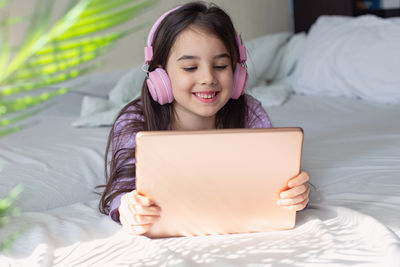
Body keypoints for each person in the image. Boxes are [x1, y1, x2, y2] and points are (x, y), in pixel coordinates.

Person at [98, 1, 310, 235]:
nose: (208, 78)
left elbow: (276, 180)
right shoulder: (135, 121)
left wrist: (295, 193)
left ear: (237, 72)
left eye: (220, 65)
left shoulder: (250, 112)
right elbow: (121, 193)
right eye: (190, 68)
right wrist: (129, 208)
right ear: (161, 75)